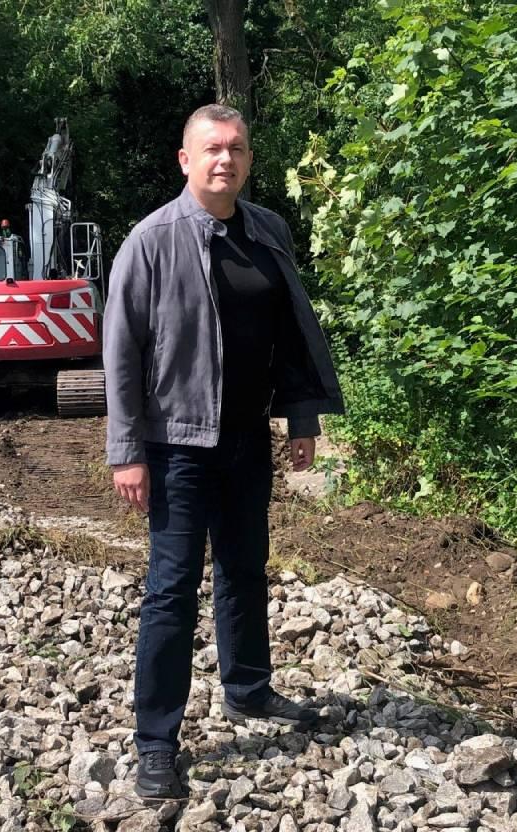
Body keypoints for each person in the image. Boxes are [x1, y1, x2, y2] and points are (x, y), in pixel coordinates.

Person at [102, 104, 346, 800]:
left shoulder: (268, 231)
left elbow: (290, 331)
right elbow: (120, 352)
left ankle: (248, 688)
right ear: (186, 159)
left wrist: (301, 416)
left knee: (245, 570)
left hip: (246, 439)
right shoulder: (151, 241)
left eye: (236, 149)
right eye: (212, 149)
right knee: (171, 589)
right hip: (176, 446)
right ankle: (156, 742)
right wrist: (126, 450)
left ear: (248, 159)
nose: (225, 160)